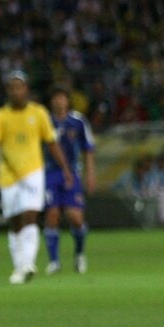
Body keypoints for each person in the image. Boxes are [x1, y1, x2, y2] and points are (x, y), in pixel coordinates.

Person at [0, 70, 73, 284]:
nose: (16, 91)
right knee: (15, 222)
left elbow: (51, 142)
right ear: (8, 91)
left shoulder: (38, 113)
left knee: (30, 215)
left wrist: (66, 169)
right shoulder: (0, 116)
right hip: (9, 175)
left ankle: (29, 263)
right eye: (12, 87)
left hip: (33, 172)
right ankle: (19, 266)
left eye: (19, 86)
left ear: (26, 89)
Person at [42, 85, 96, 274]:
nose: (59, 101)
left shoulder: (78, 121)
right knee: (52, 215)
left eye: (62, 97)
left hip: (72, 173)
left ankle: (79, 254)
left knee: (75, 217)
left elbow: (88, 149)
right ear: (51, 101)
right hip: (49, 174)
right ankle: (54, 262)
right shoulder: (45, 121)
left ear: (67, 100)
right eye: (55, 98)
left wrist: (90, 174)